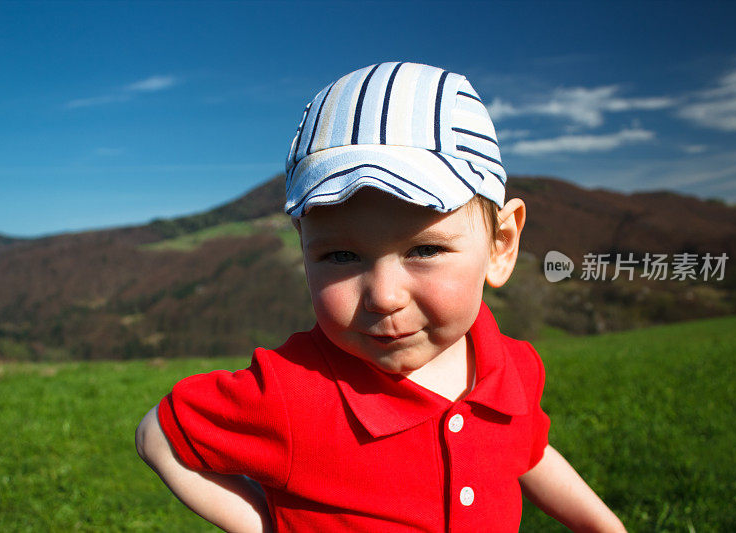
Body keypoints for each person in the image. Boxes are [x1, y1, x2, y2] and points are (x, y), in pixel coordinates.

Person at [136, 62, 626, 533]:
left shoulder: (514, 369)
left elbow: (528, 450)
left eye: (426, 249)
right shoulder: (292, 393)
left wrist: (603, 525)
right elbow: (159, 434)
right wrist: (267, 524)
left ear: (500, 246)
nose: (384, 296)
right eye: (341, 256)